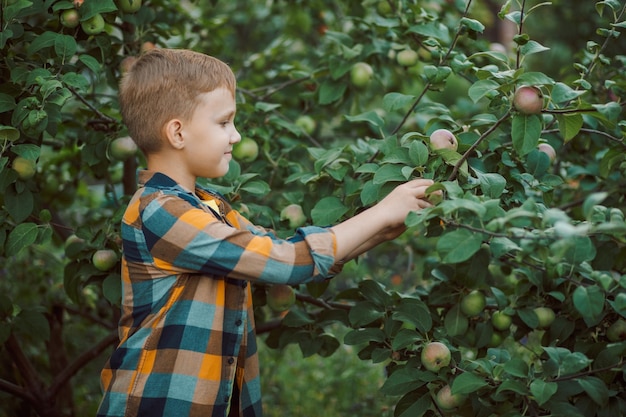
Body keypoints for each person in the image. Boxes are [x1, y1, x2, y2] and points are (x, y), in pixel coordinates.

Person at [96, 48, 436, 417]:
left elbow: (279, 250)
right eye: (224, 123)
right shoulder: (159, 212)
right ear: (177, 132)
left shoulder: (210, 206)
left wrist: (382, 227)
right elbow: (282, 262)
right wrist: (382, 211)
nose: (236, 136)